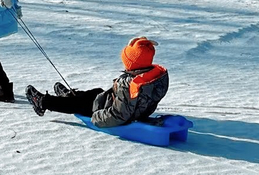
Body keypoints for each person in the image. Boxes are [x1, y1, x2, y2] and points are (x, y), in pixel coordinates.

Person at [25, 37, 168, 127]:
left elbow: (119, 115)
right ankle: (70, 95)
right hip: (123, 105)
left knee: (77, 104)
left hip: (105, 110)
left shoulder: (130, 86)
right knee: (96, 92)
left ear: (131, 64)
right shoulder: (154, 76)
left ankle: (43, 102)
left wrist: (97, 117)